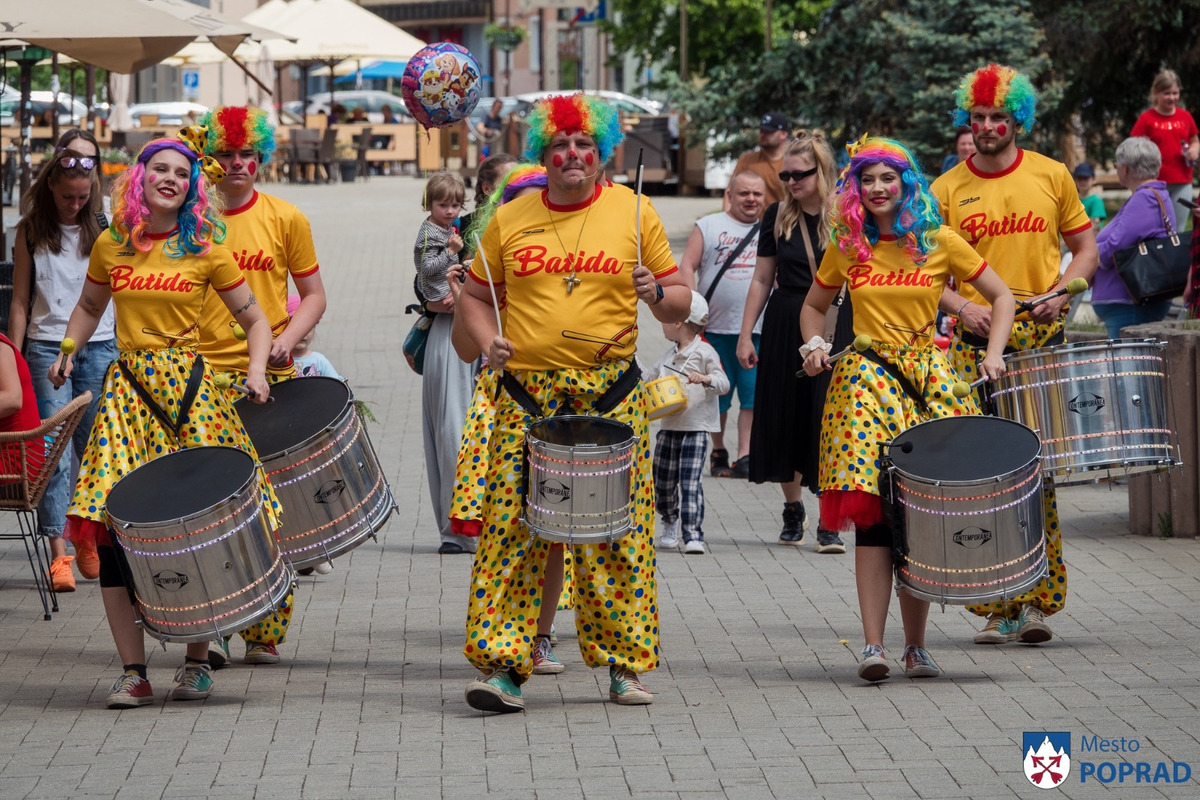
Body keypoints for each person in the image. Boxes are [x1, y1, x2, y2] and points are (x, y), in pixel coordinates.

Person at [456, 92, 689, 713]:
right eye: (559, 145)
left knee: (615, 534)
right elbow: (475, 299)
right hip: (526, 396)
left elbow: (681, 304)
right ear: (544, 153)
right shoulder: (511, 218)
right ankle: (505, 667)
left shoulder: (635, 213)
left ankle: (622, 666)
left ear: (601, 152)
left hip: (608, 396)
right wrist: (489, 341)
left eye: (583, 144)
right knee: (512, 531)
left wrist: (657, 290)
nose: (572, 154)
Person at [51, 136, 277, 708]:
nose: (171, 178)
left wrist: (257, 370)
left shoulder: (207, 249)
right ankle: (133, 671)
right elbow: (88, 306)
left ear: (192, 187)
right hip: (127, 401)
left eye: (182, 172)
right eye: (161, 169)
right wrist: (70, 346)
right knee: (115, 529)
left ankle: (197, 662)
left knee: (196, 528)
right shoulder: (111, 244)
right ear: (141, 178)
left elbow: (256, 322)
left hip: (191, 398)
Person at [800, 136, 1016, 682]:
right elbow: (814, 305)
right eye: (866, 179)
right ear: (855, 188)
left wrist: (993, 355)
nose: (877, 189)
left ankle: (916, 648)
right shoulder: (849, 245)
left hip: (928, 384)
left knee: (919, 516)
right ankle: (873, 647)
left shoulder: (939, 240)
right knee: (873, 517)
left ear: (906, 184)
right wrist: (814, 345)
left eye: (887, 179)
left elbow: (1002, 295)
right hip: (864, 385)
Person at [932, 63, 1099, 646]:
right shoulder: (947, 188)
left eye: (997, 117)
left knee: (1035, 473)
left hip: (1041, 339)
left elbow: (1085, 249)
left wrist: (1064, 292)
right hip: (973, 348)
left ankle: (1035, 602)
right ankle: (997, 605)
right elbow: (921, 272)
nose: (986, 126)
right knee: (983, 475)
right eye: (977, 117)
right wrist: (959, 307)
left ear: (1017, 120)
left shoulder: (1052, 176)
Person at [194, 106, 328, 668]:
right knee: (214, 508)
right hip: (199, 381)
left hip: (266, 377)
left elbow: (315, 295)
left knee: (273, 507)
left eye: (248, 154)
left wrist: (287, 336)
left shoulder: (286, 217)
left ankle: (265, 626)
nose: (237, 164)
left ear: (261, 158)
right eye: (226, 154)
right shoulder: (192, 219)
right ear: (211, 159)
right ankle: (219, 623)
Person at [9, 132, 116, 593]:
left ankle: (89, 538)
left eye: (83, 196)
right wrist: (11, 358)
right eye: (68, 196)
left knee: (97, 447)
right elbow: (18, 300)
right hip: (47, 345)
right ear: (51, 187)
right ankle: (59, 552)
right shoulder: (30, 229)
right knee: (52, 450)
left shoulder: (107, 225)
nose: (76, 204)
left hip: (102, 343)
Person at [736, 132, 845, 552]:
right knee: (785, 415)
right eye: (786, 174)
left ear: (822, 171)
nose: (791, 182)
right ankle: (794, 508)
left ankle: (830, 520)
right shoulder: (777, 214)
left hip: (835, 321)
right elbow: (763, 277)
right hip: (785, 322)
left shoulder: (848, 215)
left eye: (800, 175)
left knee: (829, 419)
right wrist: (747, 334)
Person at [680, 170, 766, 479]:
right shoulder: (709, 225)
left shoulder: (770, 229)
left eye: (757, 194)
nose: (751, 199)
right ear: (730, 194)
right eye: (744, 193)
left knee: (752, 394)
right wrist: (691, 307)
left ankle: (745, 454)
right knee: (717, 393)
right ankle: (718, 451)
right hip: (713, 328)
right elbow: (687, 264)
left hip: (757, 329)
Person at [414, 171, 477, 555]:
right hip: (451, 323)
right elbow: (424, 274)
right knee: (452, 427)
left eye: (455, 204)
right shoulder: (440, 233)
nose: (450, 210)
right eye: (443, 205)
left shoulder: (452, 229)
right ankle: (459, 527)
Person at [645, 292, 729, 554]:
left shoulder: (705, 352)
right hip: (668, 428)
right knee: (663, 481)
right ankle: (669, 522)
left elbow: (723, 384)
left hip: (696, 428)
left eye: (665, 318)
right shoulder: (668, 356)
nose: (662, 323)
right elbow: (649, 377)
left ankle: (693, 534)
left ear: (679, 322)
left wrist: (705, 379)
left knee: (690, 481)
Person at [1092, 137, 1177, 338]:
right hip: (1129, 303)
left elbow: (1115, 245)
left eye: (1117, 165)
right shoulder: (1150, 195)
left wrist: (1088, 253)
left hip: (1130, 304)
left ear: (1127, 169)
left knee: (1129, 368)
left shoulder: (1144, 198)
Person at [1131, 69, 1199, 227]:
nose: (1172, 97)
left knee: (1178, 227)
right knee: (1154, 227)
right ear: (1156, 93)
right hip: (1154, 182)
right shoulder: (1147, 119)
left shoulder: (1185, 117)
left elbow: (1195, 140)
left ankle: (1177, 252)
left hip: (1182, 181)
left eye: (1175, 93)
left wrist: (1195, 150)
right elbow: (1134, 147)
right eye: (1167, 93)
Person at [731, 113, 791, 207]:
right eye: (761, 131)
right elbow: (730, 192)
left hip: (782, 220)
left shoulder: (792, 163)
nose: (763, 134)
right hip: (751, 221)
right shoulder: (746, 160)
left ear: (783, 134)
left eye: (769, 132)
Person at [286, 293, 342, 379]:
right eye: (296, 327)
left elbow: (337, 387)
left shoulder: (319, 361)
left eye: (307, 327)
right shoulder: (273, 362)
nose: (302, 333)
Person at [1073, 162, 1107, 229]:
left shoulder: (1096, 201)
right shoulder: (1073, 200)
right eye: (1079, 178)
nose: (1082, 182)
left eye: (1085, 178)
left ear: (1093, 179)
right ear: (1075, 180)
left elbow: (1095, 224)